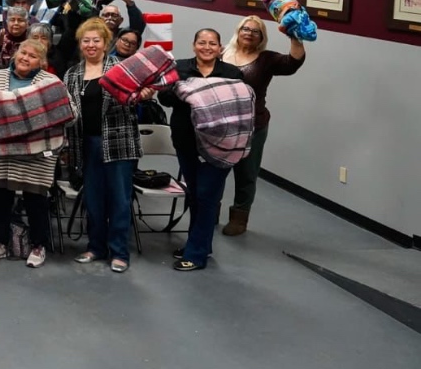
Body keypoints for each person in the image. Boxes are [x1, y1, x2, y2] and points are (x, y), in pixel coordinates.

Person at [0, 38, 64, 269]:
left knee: (36, 200)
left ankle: (39, 245)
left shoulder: (50, 82)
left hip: (35, 153)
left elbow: (66, 111)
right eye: (23, 53)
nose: (25, 58)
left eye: (32, 56)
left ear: (41, 61)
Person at [158, 28, 245, 271]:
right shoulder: (179, 68)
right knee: (195, 194)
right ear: (194, 45)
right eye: (202, 42)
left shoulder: (232, 73)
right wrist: (184, 93)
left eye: (212, 44)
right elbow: (164, 99)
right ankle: (200, 244)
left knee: (207, 196)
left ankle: (195, 254)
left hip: (221, 145)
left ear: (220, 48)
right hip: (187, 141)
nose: (207, 47)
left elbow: (239, 106)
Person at [64, 19, 146, 273]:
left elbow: (138, 97)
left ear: (106, 43)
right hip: (85, 144)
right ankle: (96, 247)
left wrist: (143, 94)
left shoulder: (122, 68)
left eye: (96, 40)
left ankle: (120, 252)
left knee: (119, 200)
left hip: (118, 143)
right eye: (86, 40)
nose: (91, 45)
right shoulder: (72, 74)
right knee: (94, 199)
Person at [220, 16, 306, 236]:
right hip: (221, 124)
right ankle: (210, 212)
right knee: (215, 170)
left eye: (255, 31)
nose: (249, 33)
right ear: (238, 31)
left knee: (246, 172)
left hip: (253, 125)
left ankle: (239, 217)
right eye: (245, 29)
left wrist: (295, 39)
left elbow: (292, 63)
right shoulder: (222, 54)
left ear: (261, 37)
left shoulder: (266, 59)